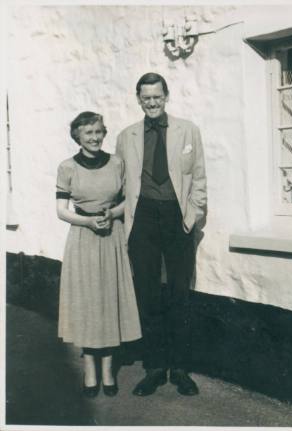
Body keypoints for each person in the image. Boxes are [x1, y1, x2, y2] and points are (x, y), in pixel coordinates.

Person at [116, 72, 207, 396]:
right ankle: (154, 368)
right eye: (146, 98)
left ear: (166, 96)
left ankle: (180, 369)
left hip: (176, 217)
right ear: (138, 99)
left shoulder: (187, 130)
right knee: (147, 292)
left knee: (181, 292)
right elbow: (121, 181)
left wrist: (192, 215)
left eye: (157, 97)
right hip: (143, 219)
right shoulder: (127, 135)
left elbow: (198, 177)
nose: (152, 103)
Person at [56, 111, 141, 398]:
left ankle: (108, 370)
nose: (94, 137)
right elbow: (61, 210)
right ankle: (90, 370)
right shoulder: (67, 167)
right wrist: (89, 221)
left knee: (109, 301)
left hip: (112, 237)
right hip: (83, 239)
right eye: (87, 133)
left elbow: (128, 200)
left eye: (98, 132)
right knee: (88, 303)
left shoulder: (117, 163)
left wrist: (111, 213)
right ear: (77, 136)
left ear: (104, 133)